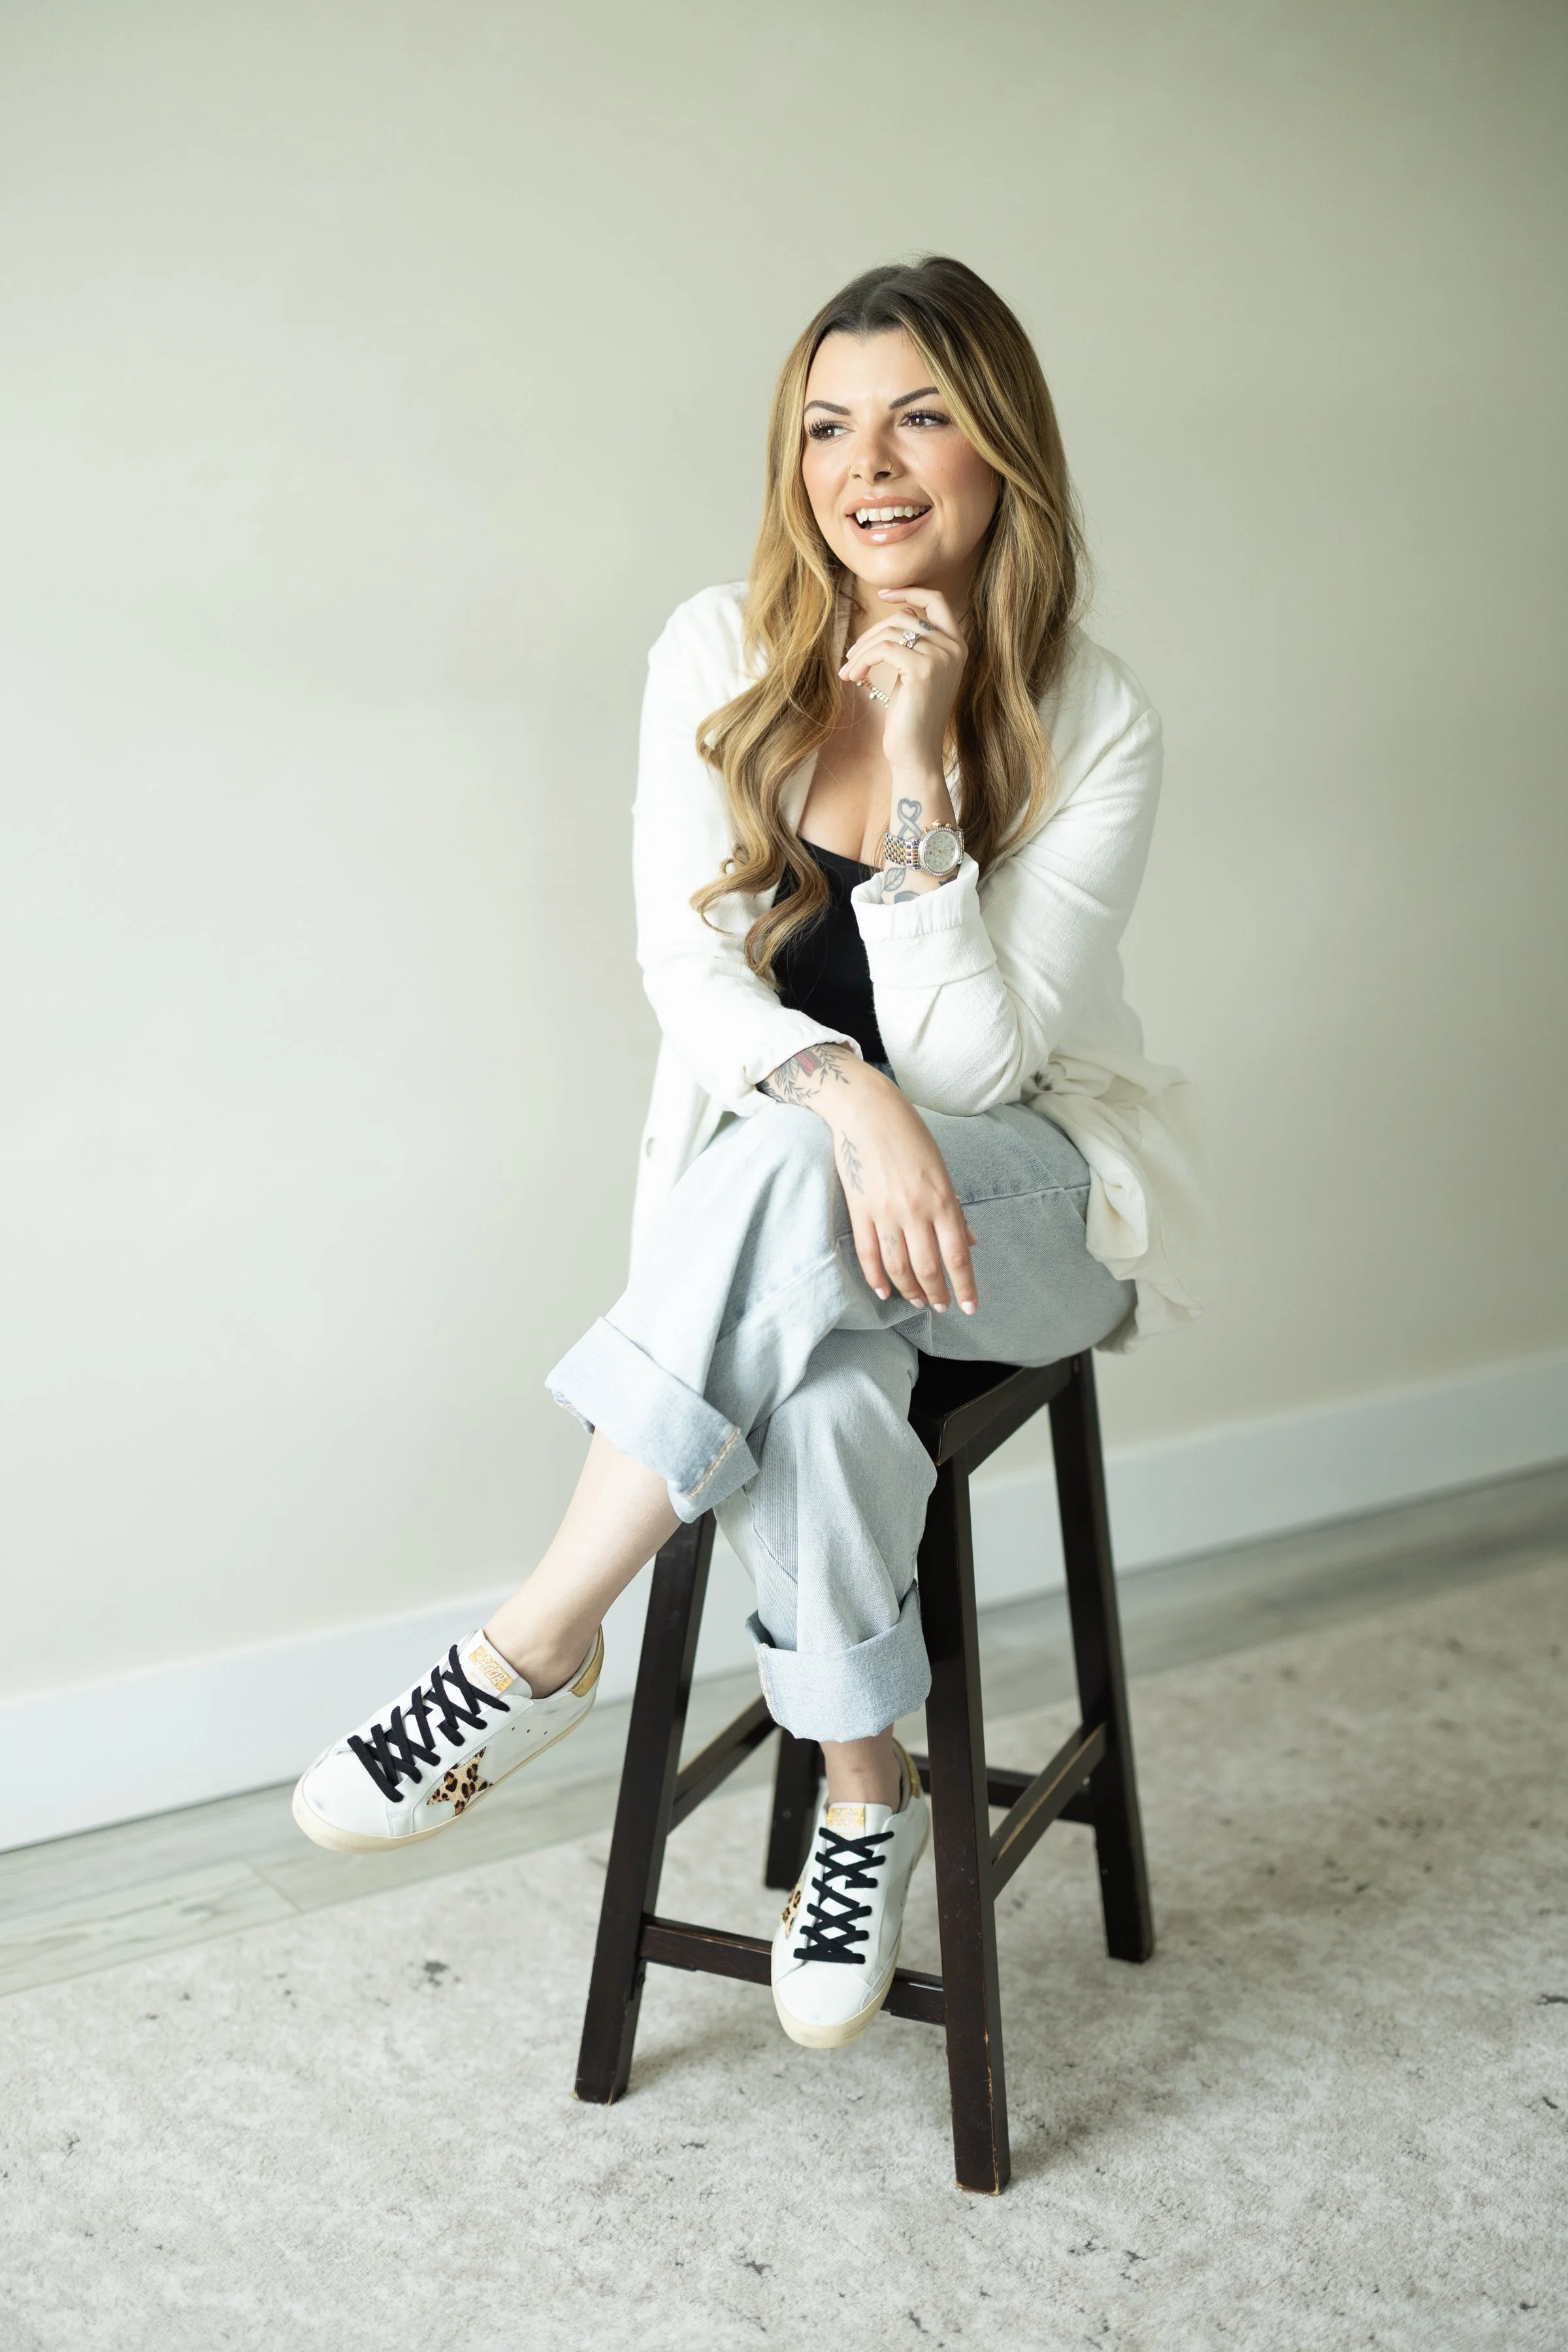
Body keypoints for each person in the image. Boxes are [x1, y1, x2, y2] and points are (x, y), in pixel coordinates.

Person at [293, 255, 1217, 2052]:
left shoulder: (1097, 717)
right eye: (827, 426)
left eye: (921, 417)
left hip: (1019, 1212)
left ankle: (534, 1644)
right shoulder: (719, 650)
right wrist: (848, 1100)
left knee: (800, 1195)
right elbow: (680, 965)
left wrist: (925, 755)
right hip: (801, 1232)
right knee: (816, 1338)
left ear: (1004, 447)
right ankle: (866, 1785)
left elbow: (974, 1058)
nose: (868, 466)